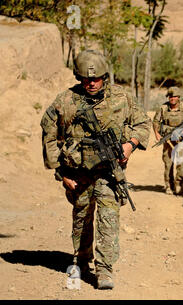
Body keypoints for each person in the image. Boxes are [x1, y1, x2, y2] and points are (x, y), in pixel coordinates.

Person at [40, 50, 150, 290]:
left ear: (105, 76)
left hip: (108, 173)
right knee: (82, 217)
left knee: (108, 218)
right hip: (78, 172)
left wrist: (130, 145)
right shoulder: (65, 101)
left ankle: (105, 270)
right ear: (79, 77)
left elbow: (143, 124)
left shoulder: (122, 98)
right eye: (86, 79)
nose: (91, 83)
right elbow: (50, 136)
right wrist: (62, 173)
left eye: (96, 78)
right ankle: (81, 257)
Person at [152, 87, 183, 195]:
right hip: (168, 138)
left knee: (182, 161)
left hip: (181, 139)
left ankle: (178, 182)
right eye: (170, 96)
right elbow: (156, 121)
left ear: (178, 97)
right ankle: (168, 185)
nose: (172, 98)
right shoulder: (163, 108)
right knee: (168, 162)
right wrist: (157, 134)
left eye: (175, 96)